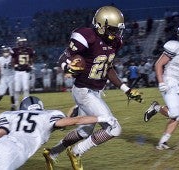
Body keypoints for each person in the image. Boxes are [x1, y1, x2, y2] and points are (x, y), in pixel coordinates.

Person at [45, 6, 142, 170]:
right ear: (100, 25)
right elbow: (64, 56)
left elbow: (108, 68)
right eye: (112, 29)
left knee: (84, 132)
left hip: (95, 91)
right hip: (84, 91)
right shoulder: (86, 36)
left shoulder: (115, 42)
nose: (116, 34)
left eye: (118, 30)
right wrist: (67, 67)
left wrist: (126, 89)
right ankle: (76, 152)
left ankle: (52, 153)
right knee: (114, 128)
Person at [0, 96, 114, 170]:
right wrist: (102, 117)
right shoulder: (48, 115)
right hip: (19, 150)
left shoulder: (10, 115)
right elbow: (75, 121)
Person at [143, 24, 179, 150]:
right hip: (169, 80)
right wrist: (161, 82)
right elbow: (158, 64)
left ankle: (162, 142)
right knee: (174, 112)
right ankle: (156, 107)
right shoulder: (175, 46)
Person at [11, 37, 35, 109]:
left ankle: (26, 103)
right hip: (17, 72)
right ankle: (16, 103)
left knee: (26, 88)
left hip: (25, 72)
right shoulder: (15, 50)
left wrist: (30, 66)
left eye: (23, 42)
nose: (22, 44)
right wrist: (15, 66)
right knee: (17, 89)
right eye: (20, 42)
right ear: (18, 43)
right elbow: (12, 61)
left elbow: (31, 60)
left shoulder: (29, 50)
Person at [0, 46, 16, 110]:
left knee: (11, 91)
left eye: (7, 51)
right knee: (1, 92)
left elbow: (14, 61)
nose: (6, 53)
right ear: (2, 52)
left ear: (9, 52)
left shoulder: (12, 58)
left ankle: (13, 105)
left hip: (12, 76)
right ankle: (0, 97)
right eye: (4, 51)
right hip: (4, 77)